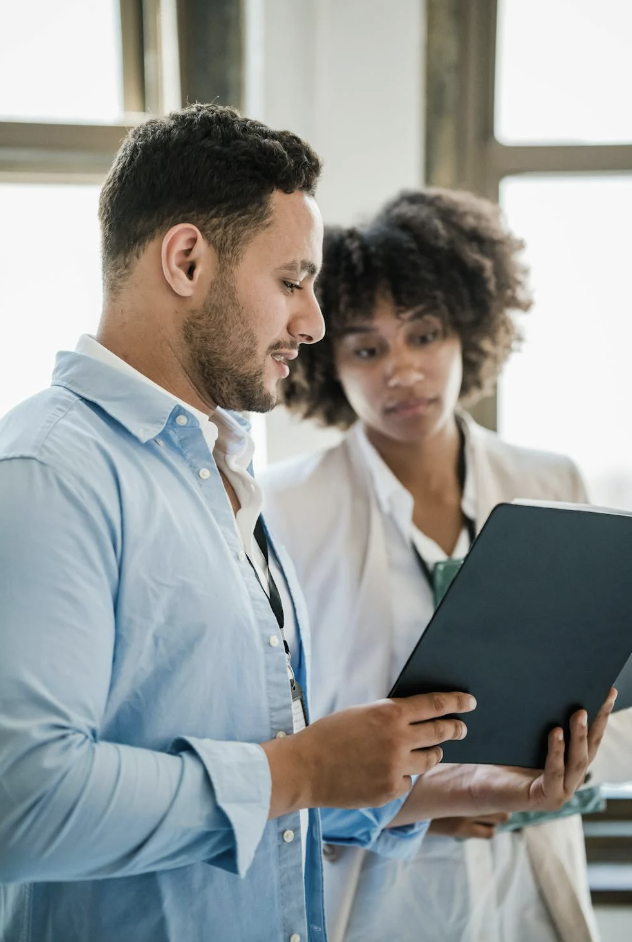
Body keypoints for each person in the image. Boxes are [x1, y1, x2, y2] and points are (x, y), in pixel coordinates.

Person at [0, 109, 612, 942]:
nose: (313, 323)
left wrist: (472, 791)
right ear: (186, 260)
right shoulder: (49, 472)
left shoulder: (221, 471)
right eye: (293, 281)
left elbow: (278, 809)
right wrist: (296, 768)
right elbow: (20, 801)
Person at [262, 188, 632, 942]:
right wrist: (426, 799)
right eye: (367, 348)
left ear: (468, 331)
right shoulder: (285, 510)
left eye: (424, 335)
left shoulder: (552, 482)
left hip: (532, 882)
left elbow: (609, 689)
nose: (401, 370)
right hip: (381, 897)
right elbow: (282, 735)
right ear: (328, 363)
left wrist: (552, 772)